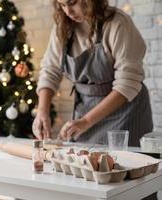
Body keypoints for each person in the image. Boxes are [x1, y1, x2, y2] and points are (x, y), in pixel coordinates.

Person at [33, 0, 153, 147]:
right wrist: (42, 111)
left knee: (121, 165)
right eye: (62, 5)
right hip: (85, 112)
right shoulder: (63, 26)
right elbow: (50, 70)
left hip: (126, 113)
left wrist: (86, 121)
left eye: (71, 2)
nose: (68, 12)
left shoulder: (118, 23)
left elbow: (127, 84)